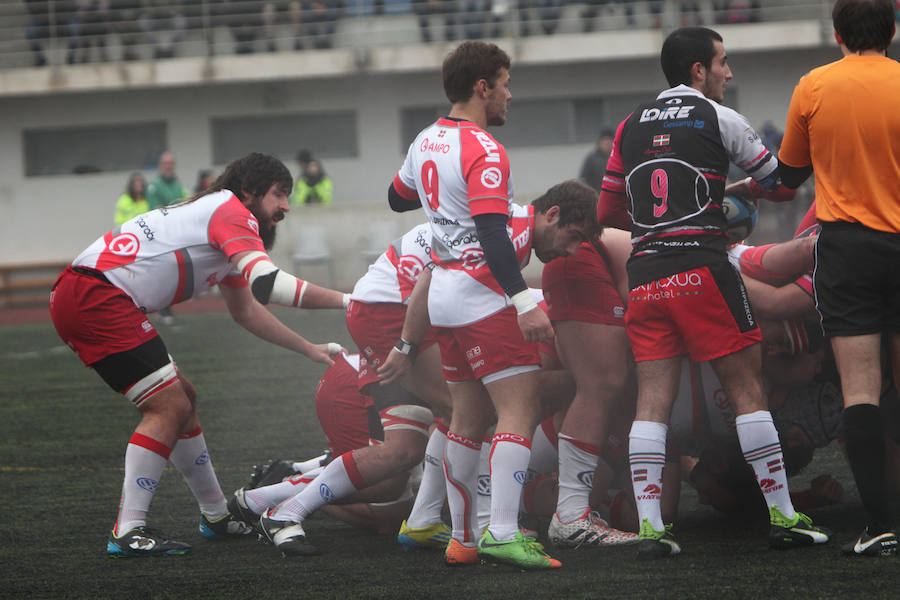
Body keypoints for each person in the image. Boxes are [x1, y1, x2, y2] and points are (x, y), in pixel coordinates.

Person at [597, 26, 830, 559]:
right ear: (698, 70)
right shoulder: (718, 117)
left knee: (651, 402)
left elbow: (609, 212)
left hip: (648, 275)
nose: (729, 72)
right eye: (723, 62)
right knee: (747, 387)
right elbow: (783, 186)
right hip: (703, 269)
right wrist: (732, 189)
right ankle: (783, 515)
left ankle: (652, 529)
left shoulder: (629, 124)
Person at [49, 152, 348, 557]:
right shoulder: (229, 209)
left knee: (183, 399)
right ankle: (127, 530)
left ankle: (216, 515)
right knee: (168, 407)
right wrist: (354, 300)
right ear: (250, 191)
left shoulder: (220, 219)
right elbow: (269, 286)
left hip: (93, 294)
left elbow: (247, 311)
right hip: (96, 295)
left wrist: (307, 347)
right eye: (279, 194)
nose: (286, 206)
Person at [389, 39, 597, 565]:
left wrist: (442, 203)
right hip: (480, 293)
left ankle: (462, 539)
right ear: (483, 87)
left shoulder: (425, 140)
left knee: (466, 417)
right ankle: (502, 530)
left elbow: (397, 197)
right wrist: (524, 301)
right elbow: (492, 233)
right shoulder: (482, 148)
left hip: (444, 296)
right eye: (505, 85)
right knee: (520, 406)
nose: (509, 95)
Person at [777, 0, 900, 557]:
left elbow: (788, 174)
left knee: (862, 391)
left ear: (837, 34)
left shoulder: (814, 85)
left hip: (847, 248)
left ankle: (879, 525)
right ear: (892, 32)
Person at [146, 151, 189, 325]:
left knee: (173, 273)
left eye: (171, 163)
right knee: (161, 273)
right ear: (160, 165)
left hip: (176, 234)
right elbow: (156, 209)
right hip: (161, 235)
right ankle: (161, 309)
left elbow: (184, 204)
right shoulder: (154, 186)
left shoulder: (177, 184)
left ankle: (168, 307)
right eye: (165, 163)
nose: (168, 166)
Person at [578, 128, 614, 193]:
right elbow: (583, 180)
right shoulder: (591, 159)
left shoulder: (618, 158)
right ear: (600, 142)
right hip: (596, 197)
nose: (607, 143)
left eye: (609, 140)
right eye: (605, 140)